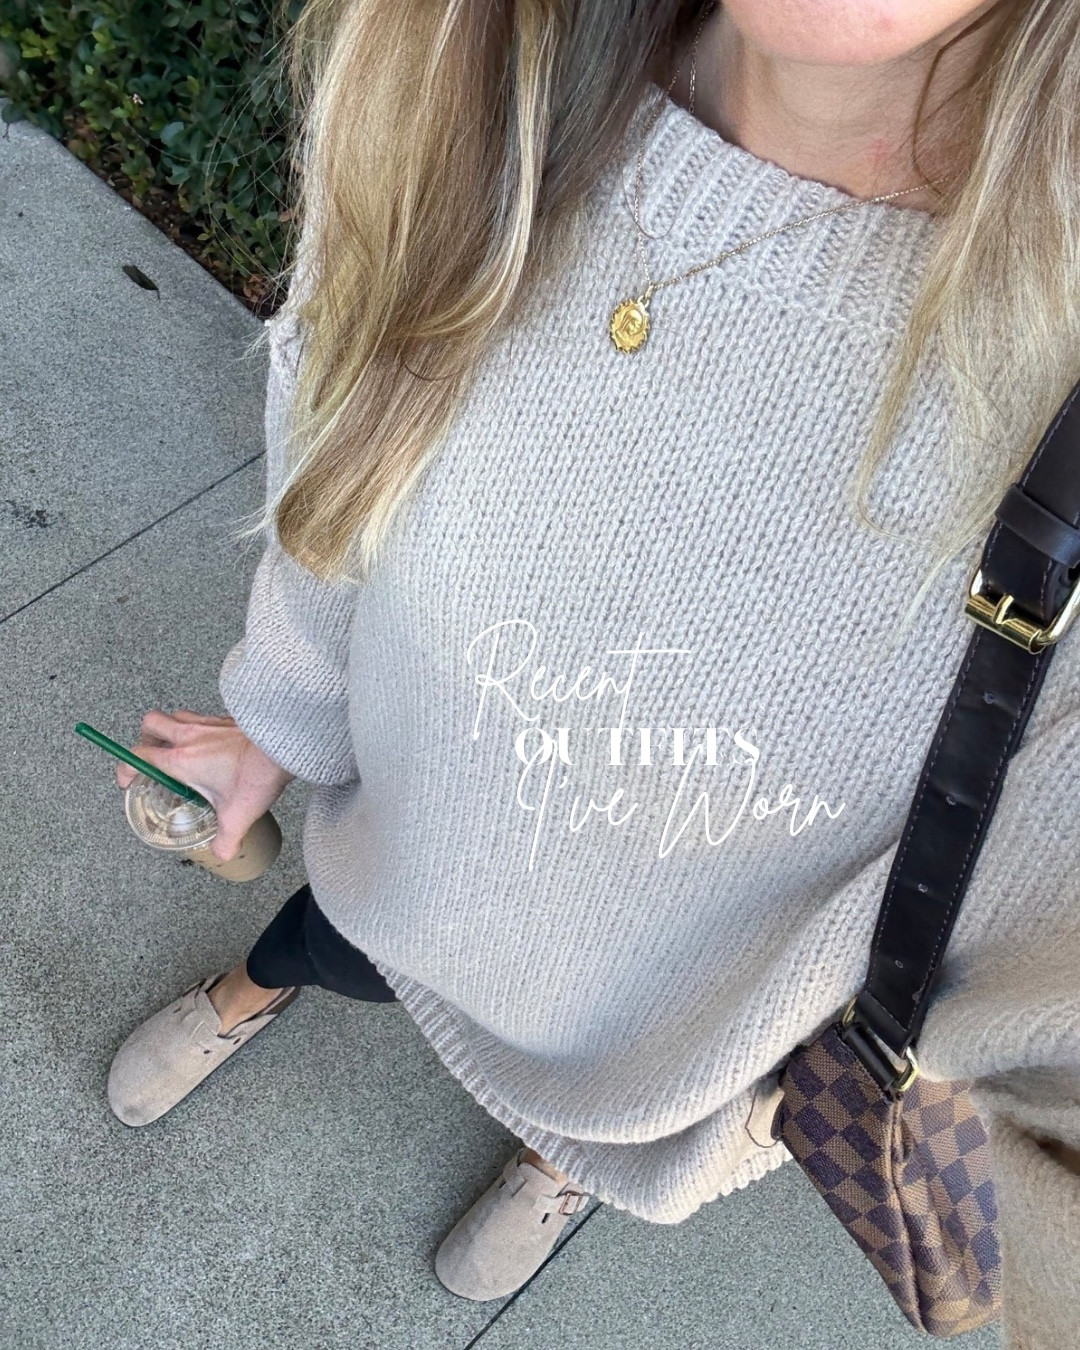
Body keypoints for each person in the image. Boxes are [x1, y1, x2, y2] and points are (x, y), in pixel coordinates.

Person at [107, 0, 1080, 1342]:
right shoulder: (472, 72)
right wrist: (278, 714)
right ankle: (250, 990)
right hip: (400, 863)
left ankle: (562, 1167)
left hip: (666, 1070)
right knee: (325, 946)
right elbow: (339, 446)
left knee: (598, 1123)